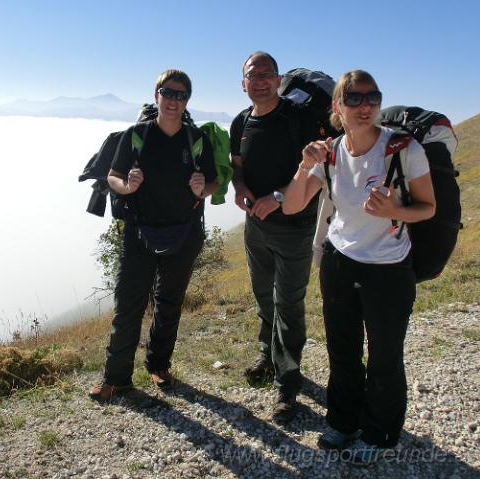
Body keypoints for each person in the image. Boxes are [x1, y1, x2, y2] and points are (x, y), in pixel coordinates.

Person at [282, 70, 435, 464]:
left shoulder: (403, 150)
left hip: (388, 268)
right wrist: (303, 167)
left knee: (384, 354)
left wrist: (395, 210)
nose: (365, 106)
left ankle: (380, 431)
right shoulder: (328, 152)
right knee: (342, 349)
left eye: (372, 97)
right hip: (339, 262)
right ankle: (343, 421)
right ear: (338, 108)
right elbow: (292, 206)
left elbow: (428, 207)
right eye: (354, 99)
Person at [89, 69, 218, 402]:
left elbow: (215, 183)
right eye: (168, 92)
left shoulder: (196, 138)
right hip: (139, 232)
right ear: (156, 94)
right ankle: (115, 379)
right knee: (128, 305)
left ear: (187, 100)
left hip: (184, 232)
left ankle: (159, 366)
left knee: (169, 304)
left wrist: (204, 188)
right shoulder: (137, 134)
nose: (174, 100)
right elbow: (113, 176)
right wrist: (126, 185)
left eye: (181, 95)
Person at [230, 51, 320, 423]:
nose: (261, 80)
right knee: (264, 296)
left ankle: (288, 385)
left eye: (268, 74)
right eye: (254, 75)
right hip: (256, 228)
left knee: (289, 304)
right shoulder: (240, 122)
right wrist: (240, 189)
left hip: (295, 229)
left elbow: (317, 172)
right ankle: (268, 356)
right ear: (244, 83)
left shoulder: (298, 118)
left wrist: (280, 197)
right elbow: (238, 170)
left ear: (279, 80)